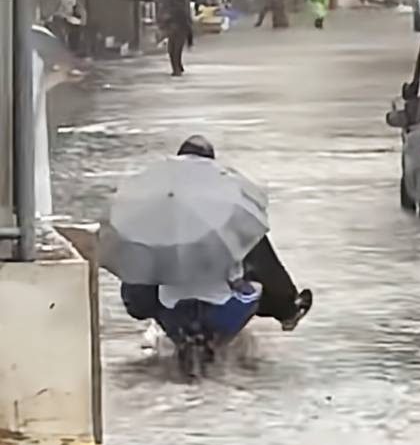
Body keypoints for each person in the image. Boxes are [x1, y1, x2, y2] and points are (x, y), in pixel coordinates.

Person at [121, 135, 312, 342]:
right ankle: (288, 314)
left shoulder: (154, 214)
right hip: (221, 313)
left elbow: (134, 289)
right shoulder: (234, 210)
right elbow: (268, 269)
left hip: (173, 312)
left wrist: (140, 306)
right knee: (256, 265)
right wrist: (287, 308)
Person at [157, 0, 194, 76]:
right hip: (174, 34)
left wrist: (190, 39)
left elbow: (187, 24)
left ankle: (177, 70)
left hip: (178, 33)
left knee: (175, 52)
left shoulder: (179, 12)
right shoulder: (172, 10)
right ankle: (178, 68)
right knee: (173, 51)